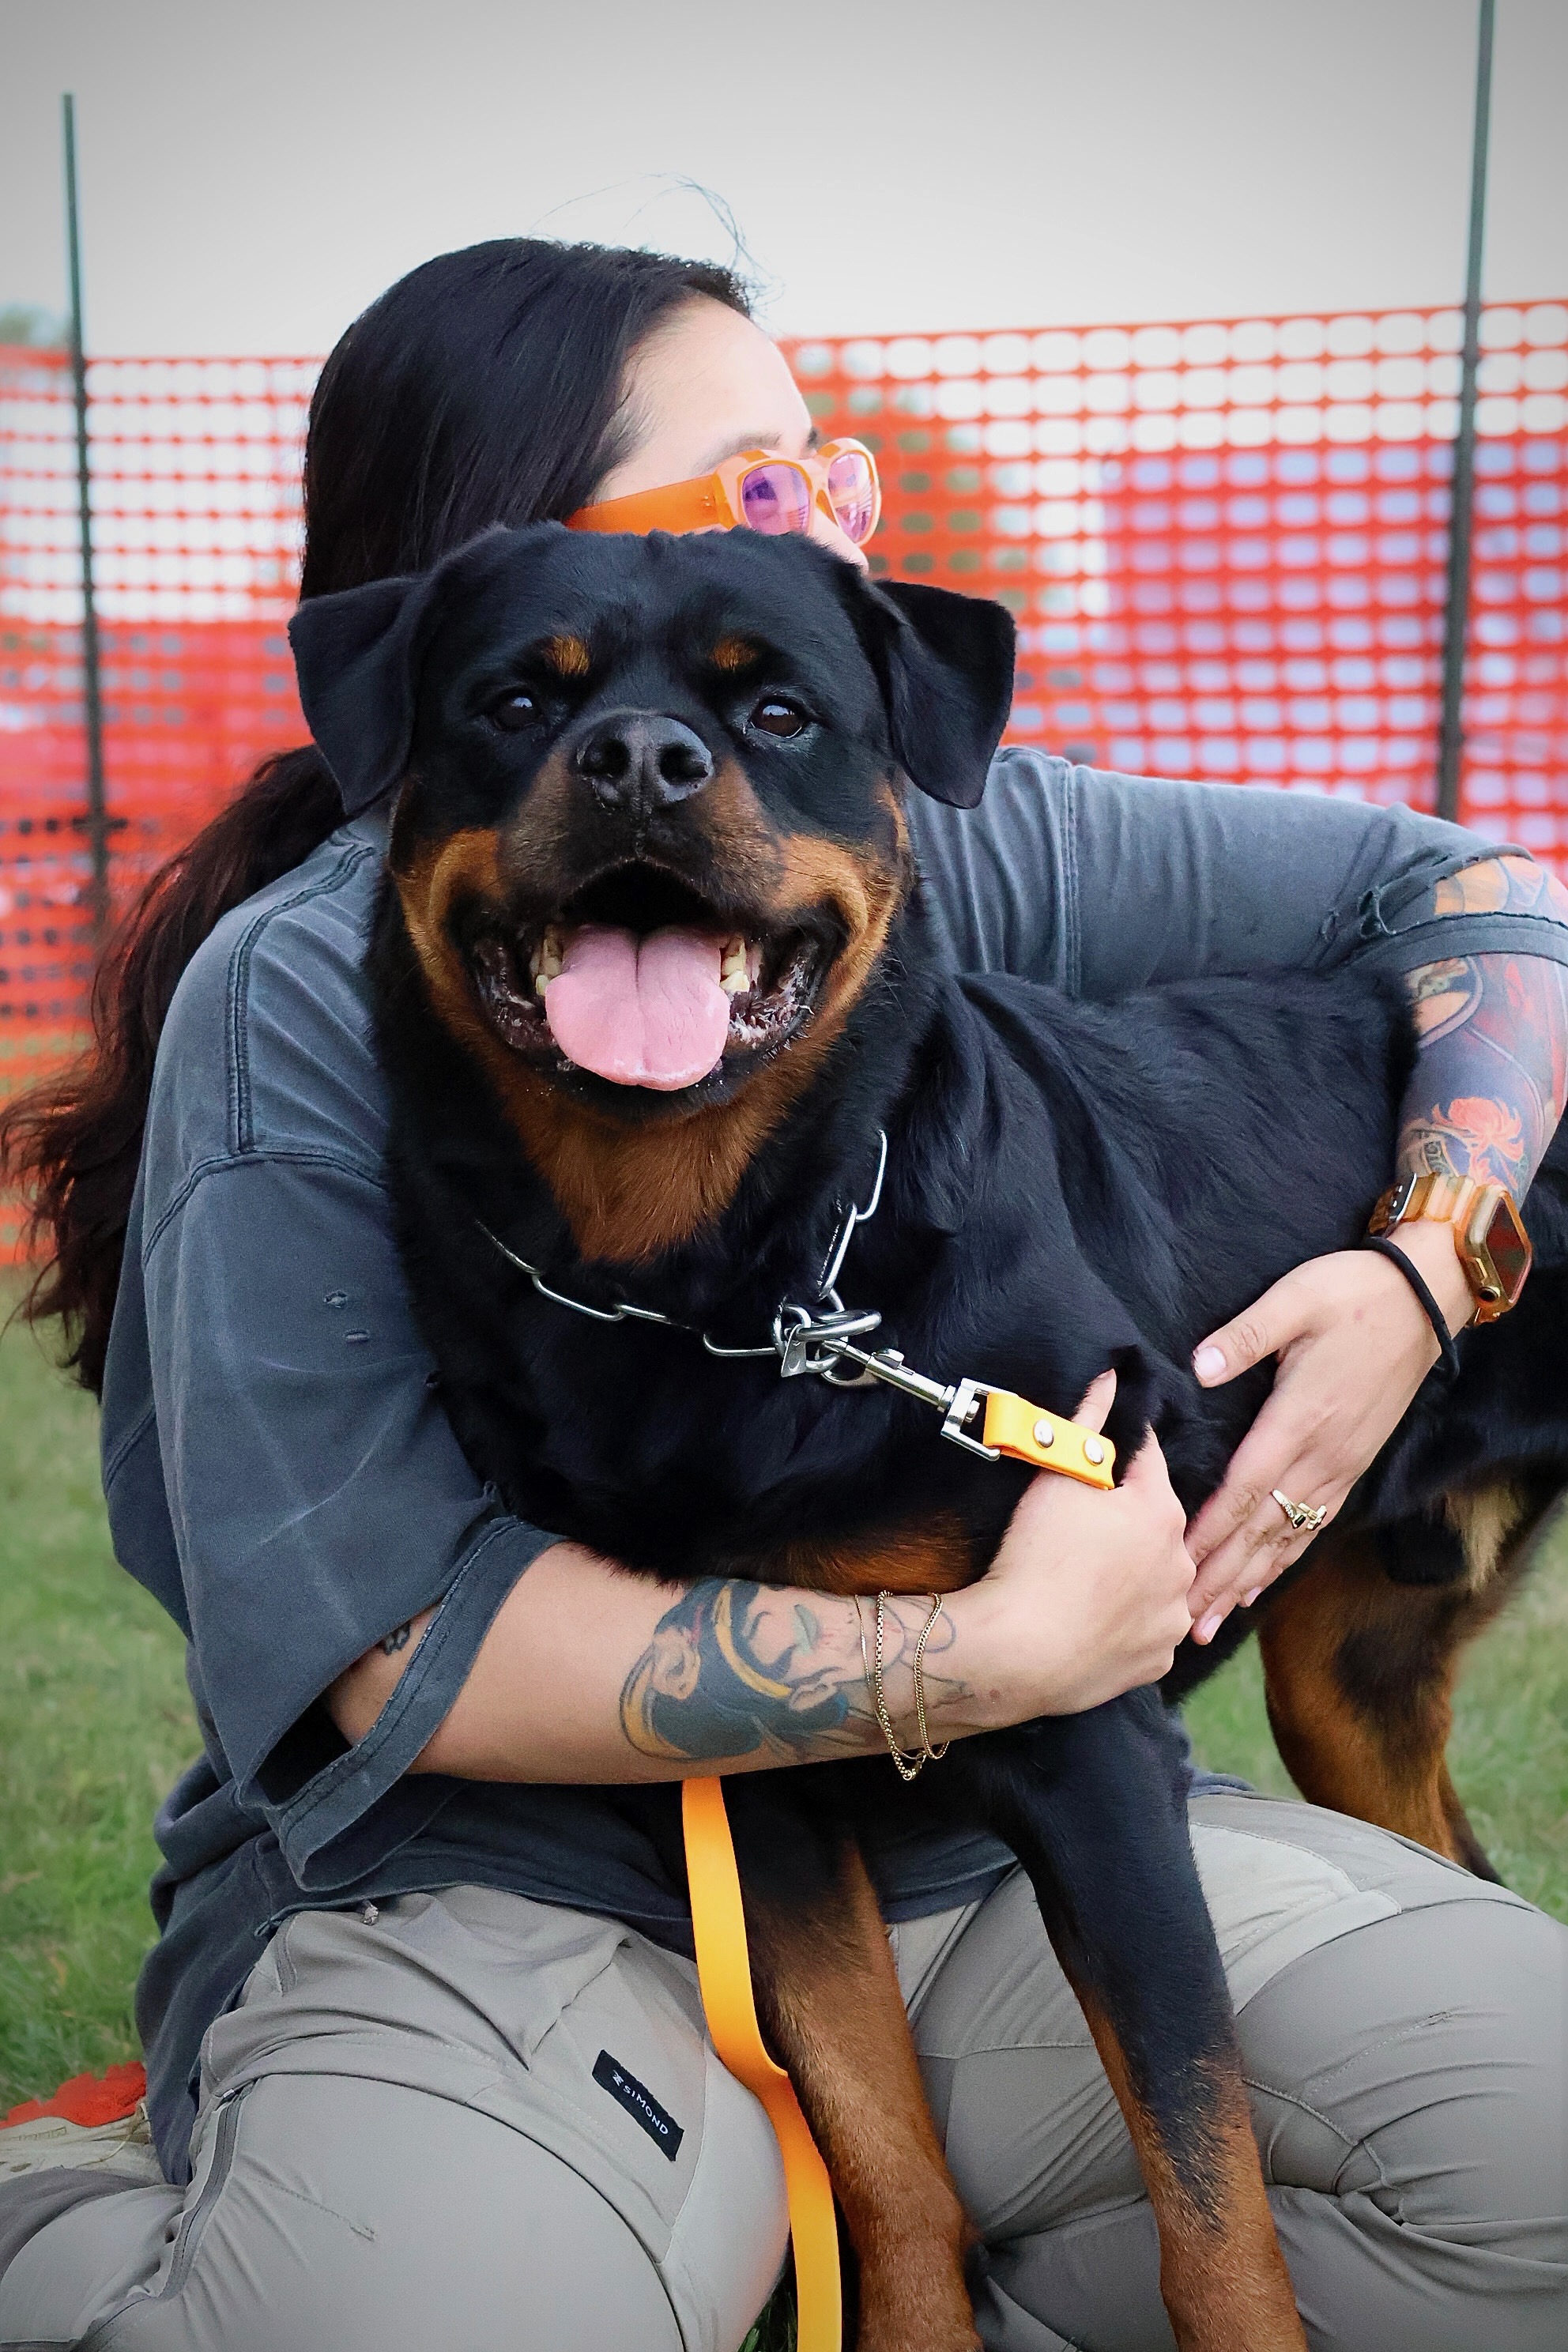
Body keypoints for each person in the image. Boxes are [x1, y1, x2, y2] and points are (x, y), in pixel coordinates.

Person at [0, 239, 1564, 2352]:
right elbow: (400, 1661)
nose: (825, 527)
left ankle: (880, 2271)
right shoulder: (301, 994)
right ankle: (91, 2220)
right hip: (514, 1893)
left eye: (825, 486)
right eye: (752, 492)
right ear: (498, 587)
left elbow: (1471, 890)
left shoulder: (878, 802)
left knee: (1532, 2167)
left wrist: (1421, 1266)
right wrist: (990, 1647)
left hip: (986, 1889)